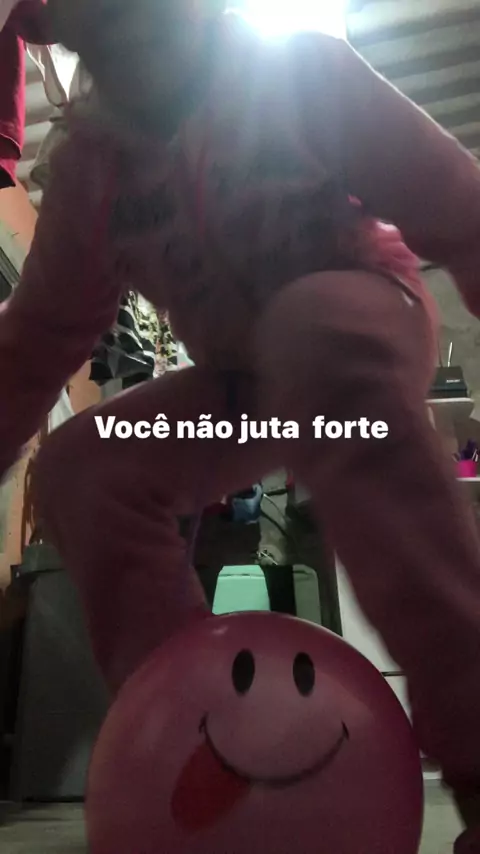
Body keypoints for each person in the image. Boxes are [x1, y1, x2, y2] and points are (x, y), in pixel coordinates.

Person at [4, 2, 480, 850]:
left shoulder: (301, 75)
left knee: (314, 334)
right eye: (98, 21)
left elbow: (459, 206)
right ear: (64, 33)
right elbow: (38, 339)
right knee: (85, 466)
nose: (130, 35)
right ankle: (203, 744)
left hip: (363, 317)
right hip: (242, 388)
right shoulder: (92, 174)